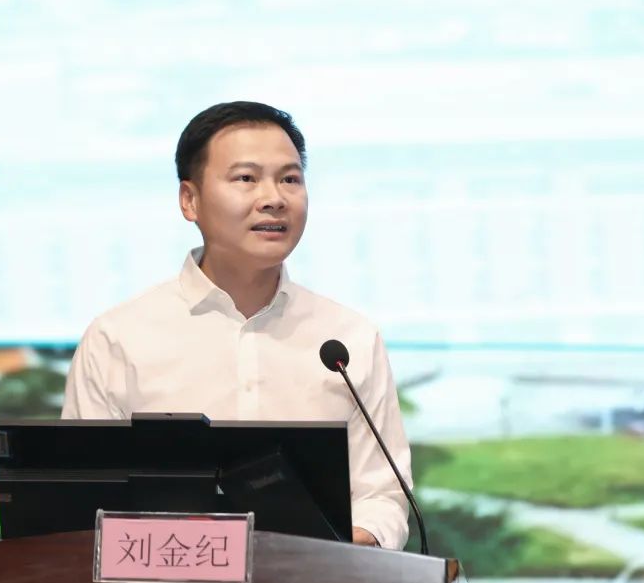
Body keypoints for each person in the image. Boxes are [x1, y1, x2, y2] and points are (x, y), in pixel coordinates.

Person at [62, 101, 411, 549]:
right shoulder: (118, 339)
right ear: (190, 200)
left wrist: (333, 554)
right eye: (246, 178)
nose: (274, 198)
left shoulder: (348, 339)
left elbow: (381, 496)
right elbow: (84, 505)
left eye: (290, 179)